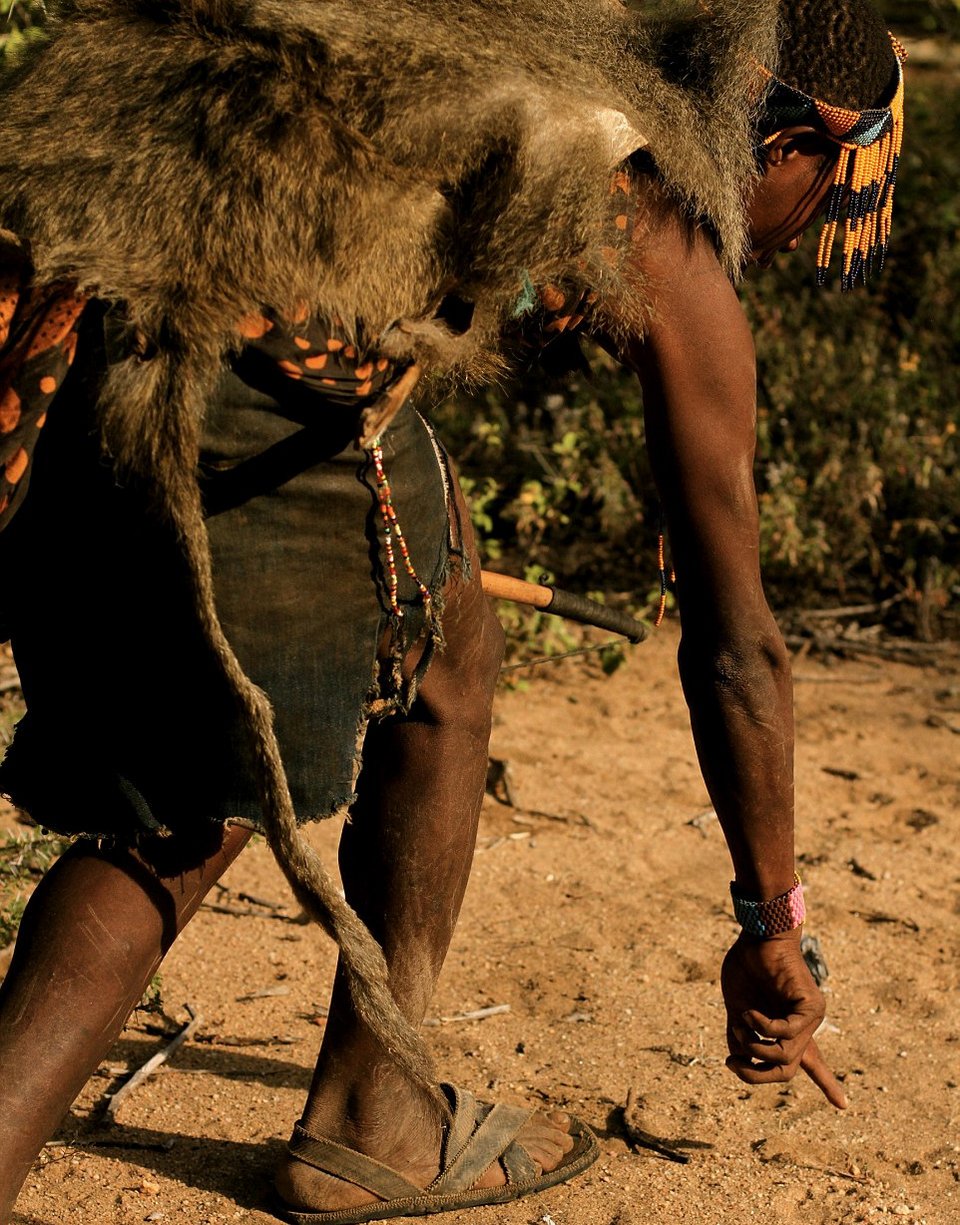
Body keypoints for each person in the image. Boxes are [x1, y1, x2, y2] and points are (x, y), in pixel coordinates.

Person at [0, 1, 904, 1222]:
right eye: (840, 196)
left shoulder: (535, 67)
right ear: (785, 145)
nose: (806, 239)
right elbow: (741, 651)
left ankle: (375, 1106)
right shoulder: (654, 199)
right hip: (218, 357)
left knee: (452, 627)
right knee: (192, 807)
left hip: (93, 276)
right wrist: (771, 917)